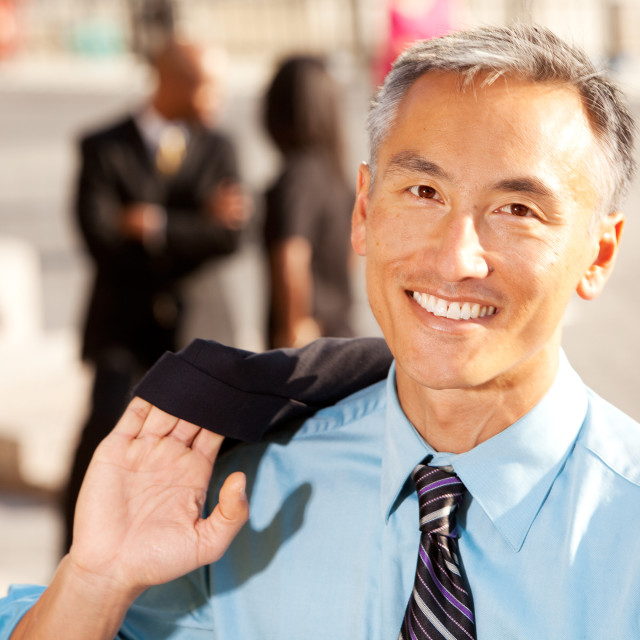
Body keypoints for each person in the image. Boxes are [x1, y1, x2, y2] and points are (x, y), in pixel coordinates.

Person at [2, 23, 639, 639]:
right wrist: (95, 581)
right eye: (423, 191)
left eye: (517, 210)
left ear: (600, 253)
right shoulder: (237, 501)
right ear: (364, 211)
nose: (456, 259)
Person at [61, 38, 250, 552]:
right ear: (173, 81)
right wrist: (196, 224)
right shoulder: (102, 146)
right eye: (208, 84)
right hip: (122, 331)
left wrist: (151, 225)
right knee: (101, 441)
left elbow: (231, 236)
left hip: (200, 333)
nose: (218, 96)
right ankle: (75, 559)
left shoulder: (221, 147)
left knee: (211, 454)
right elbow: (100, 236)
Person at [263, 55, 355, 348]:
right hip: (339, 329)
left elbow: (292, 255)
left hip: (310, 338)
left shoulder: (299, 175)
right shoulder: (334, 174)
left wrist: (293, 329)